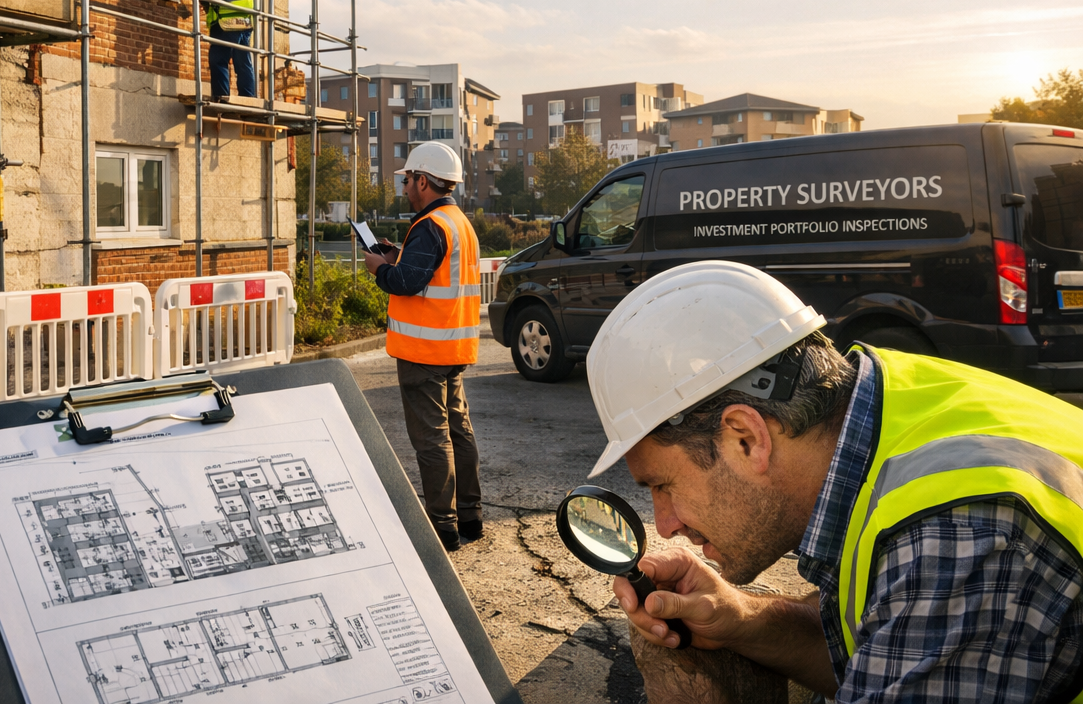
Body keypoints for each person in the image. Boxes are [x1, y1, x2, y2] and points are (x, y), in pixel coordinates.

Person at [583, 260, 1083, 703]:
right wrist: (740, 618)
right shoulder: (889, 397)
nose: (665, 525)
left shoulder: (957, 536)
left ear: (746, 439)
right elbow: (874, 651)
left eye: (662, 485)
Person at [363, 142, 483, 552]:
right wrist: (399, 256)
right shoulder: (458, 222)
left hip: (424, 352)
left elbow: (406, 283)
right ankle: (470, 515)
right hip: (454, 347)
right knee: (458, 432)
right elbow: (431, 273)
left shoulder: (429, 225)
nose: (405, 187)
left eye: (408, 179)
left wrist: (380, 268)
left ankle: (442, 527)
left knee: (433, 439)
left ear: (424, 181)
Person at [191, 0, 256, 101]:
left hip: (230, 23)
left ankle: (221, 97)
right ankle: (248, 98)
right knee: (242, 62)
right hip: (240, 22)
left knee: (218, 59)